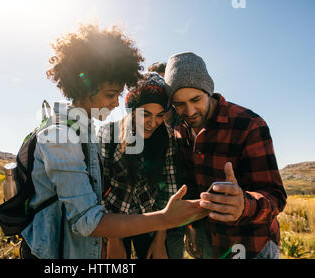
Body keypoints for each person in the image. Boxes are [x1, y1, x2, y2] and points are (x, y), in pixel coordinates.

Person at [20, 25, 208, 259]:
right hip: (53, 251)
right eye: (110, 94)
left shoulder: (84, 128)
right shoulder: (62, 135)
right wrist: (165, 218)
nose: (114, 104)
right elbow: (88, 221)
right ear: (84, 85)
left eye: (118, 95)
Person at [164, 52, 287, 259]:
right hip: (208, 244)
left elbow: (275, 196)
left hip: (251, 245)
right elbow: (190, 187)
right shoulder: (179, 129)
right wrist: (192, 228)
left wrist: (245, 205)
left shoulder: (249, 124)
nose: (190, 111)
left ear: (208, 92)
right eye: (180, 104)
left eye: (196, 99)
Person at [98, 72, 184, 259]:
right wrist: (113, 238)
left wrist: (160, 238)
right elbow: (100, 187)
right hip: (115, 218)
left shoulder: (167, 137)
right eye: (145, 114)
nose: (153, 123)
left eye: (160, 115)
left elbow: (169, 190)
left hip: (152, 218)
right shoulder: (108, 133)